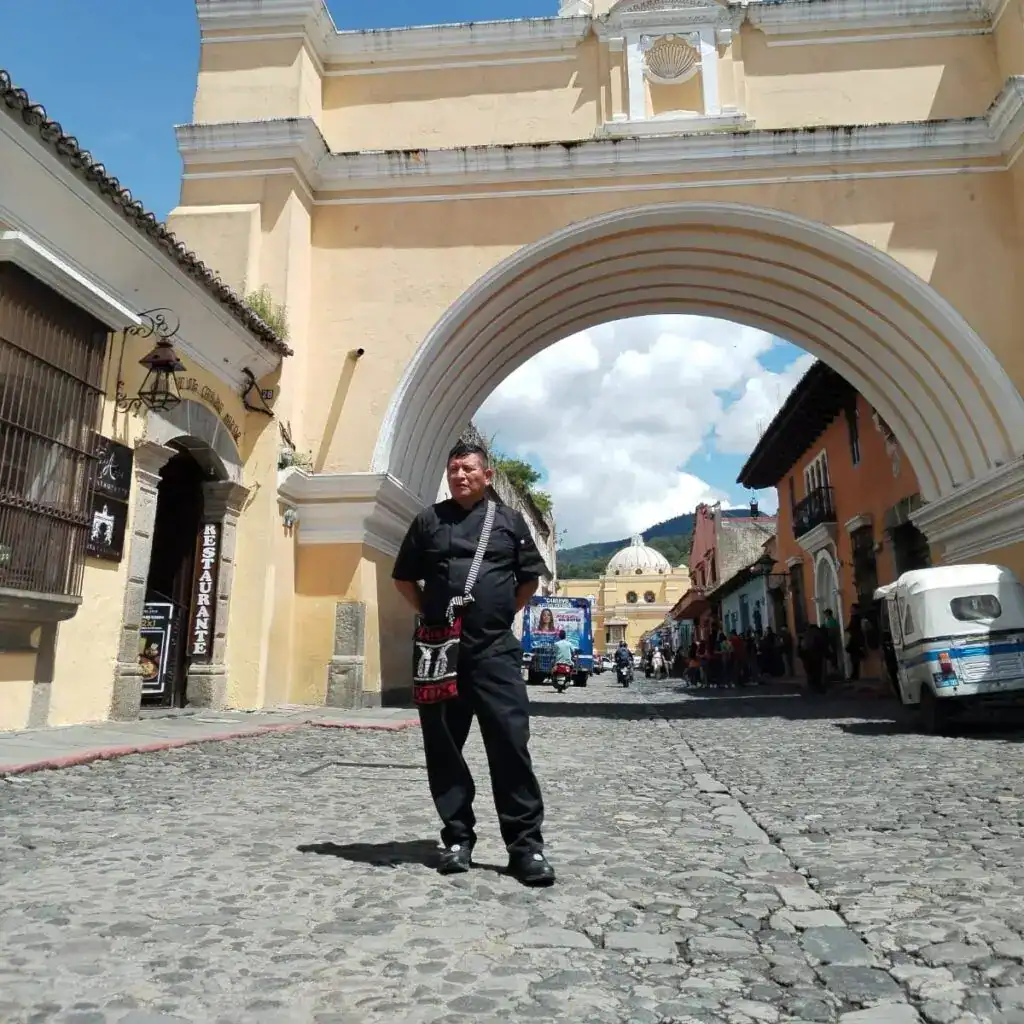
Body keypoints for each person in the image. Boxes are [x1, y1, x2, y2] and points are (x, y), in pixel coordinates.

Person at [392, 441, 555, 886]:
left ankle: (525, 848)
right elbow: (403, 577)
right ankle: (457, 839)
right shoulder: (428, 520)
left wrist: (498, 615)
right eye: (453, 469)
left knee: (510, 745)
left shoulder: (509, 522)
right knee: (444, 746)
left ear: (486, 475)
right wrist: (432, 614)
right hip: (439, 651)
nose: (459, 475)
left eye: (468, 468)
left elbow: (528, 580)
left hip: (494, 652)